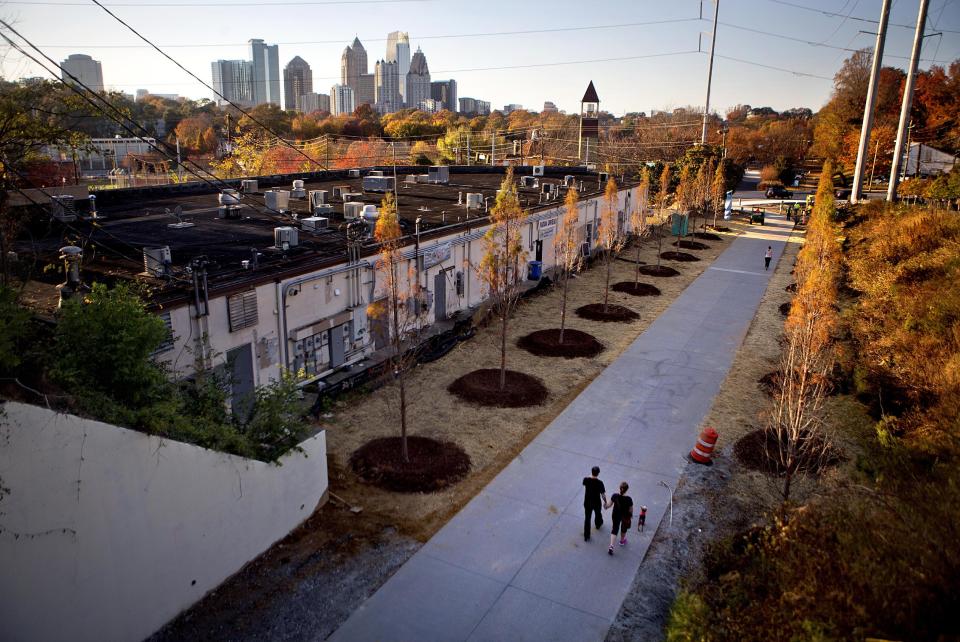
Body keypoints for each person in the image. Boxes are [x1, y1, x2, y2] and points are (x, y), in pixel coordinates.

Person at [606, 481, 633, 554]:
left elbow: (608, 505)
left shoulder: (615, 496)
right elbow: (630, 510)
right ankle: (622, 541)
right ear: (627, 489)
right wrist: (630, 515)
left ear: (620, 488)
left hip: (615, 514)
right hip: (625, 515)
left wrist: (605, 506)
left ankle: (611, 546)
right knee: (623, 528)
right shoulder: (629, 499)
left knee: (615, 528)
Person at [582, 466, 607, 541]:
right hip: (596, 502)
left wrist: (590, 477)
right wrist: (605, 501)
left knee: (587, 518)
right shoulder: (600, 483)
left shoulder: (586, 480)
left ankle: (586, 535)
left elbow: (584, 483)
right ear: (598, 473)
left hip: (587, 502)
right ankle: (598, 524)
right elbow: (603, 494)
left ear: (591, 472)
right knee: (598, 514)